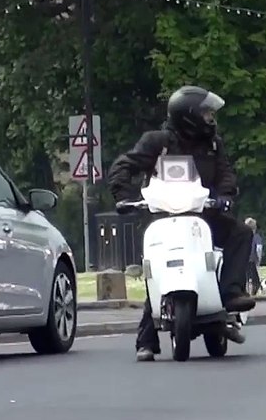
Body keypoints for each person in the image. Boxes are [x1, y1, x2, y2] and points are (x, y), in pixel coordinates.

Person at [108, 86, 257, 361]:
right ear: (189, 116)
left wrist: (224, 196)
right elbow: (124, 165)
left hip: (204, 213)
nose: (211, 118)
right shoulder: (158, 141)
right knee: (160, 265)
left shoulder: (213, 144)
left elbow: (226, 173)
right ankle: (147, 339)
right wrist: (124, 197)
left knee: (241, 233)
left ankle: (230, 292)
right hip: (165, 215)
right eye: (206, 113)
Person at [244, 217, 264, 295]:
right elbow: (259, 249)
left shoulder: (242, 238)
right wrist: (259, 260)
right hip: (252, 260)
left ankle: (246, 291)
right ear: (255, 228)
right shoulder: (256, 237)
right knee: (254, 279)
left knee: (246, 278)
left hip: (243, 260)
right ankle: (252, 292)